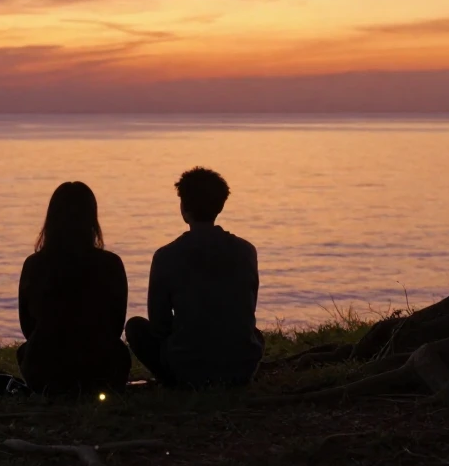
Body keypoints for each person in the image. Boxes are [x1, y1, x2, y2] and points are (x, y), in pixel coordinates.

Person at [125, 167, 264, 388]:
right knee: (253, 333)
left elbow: (159, 325)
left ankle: (174, 381)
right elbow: (248, 307)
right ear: (220, 206)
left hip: (187, 370)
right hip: (241, 370)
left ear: (183, 207)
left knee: (135, 327)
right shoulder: (246, 251)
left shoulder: (166, 256)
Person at [16, 181, 131, 395]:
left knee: (25, 351)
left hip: (45, 371)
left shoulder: (34, 265)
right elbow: (116, 326)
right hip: (103, 370)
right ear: (92, 219)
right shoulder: (111, 264)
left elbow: (27, 327)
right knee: (119, 352)